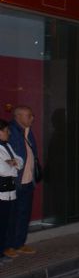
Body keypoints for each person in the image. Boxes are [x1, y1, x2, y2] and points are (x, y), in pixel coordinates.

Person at [6, 105, 39, 257]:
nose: (32, 118)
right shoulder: (10, 131)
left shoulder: (28, 131)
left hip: (27, 181)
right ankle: (8, 246)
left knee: (24, 214)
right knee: (11, 215)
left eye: (31, 115)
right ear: (18, 116)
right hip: (15, 181)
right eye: (28, 115)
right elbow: (8, 157)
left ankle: (20, 243)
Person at [0, 119, 23, 264]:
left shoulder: (7, 146)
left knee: (5, 224)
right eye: (6, 130)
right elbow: (2, 169)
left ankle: (1, 251)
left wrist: (13, 163)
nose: (8, 133)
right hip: (1, 192)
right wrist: (12, 165)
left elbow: (20, 161)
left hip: (10, 192)